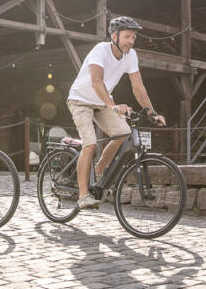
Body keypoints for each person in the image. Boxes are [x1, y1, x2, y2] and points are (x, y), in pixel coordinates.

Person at [66, 16, 165, 210]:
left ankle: (98, 173)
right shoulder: (100, 51)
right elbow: (96, 82)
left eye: (133, 37)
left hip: (102, 103)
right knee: (90, 144)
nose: (131, 41)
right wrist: (113, 106)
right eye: (127, 36)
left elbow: (138, 87)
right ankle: (83, 195)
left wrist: (152, 113)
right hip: (80, 100)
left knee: (124, 134)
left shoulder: (131, 55)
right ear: (114, 36)